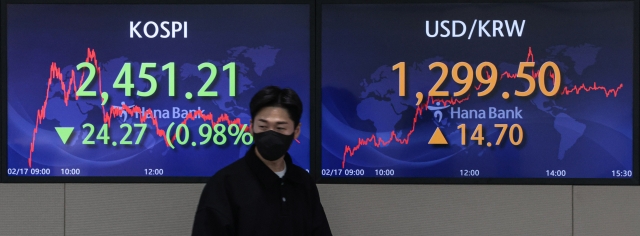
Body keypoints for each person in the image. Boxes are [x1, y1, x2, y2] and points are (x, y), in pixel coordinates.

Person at [192, 86, 332, 236]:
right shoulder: (224, 185)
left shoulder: (304, 183)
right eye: (263, 126)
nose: (271, 134)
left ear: (296, 131)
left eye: (280, 128)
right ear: (251, 127)